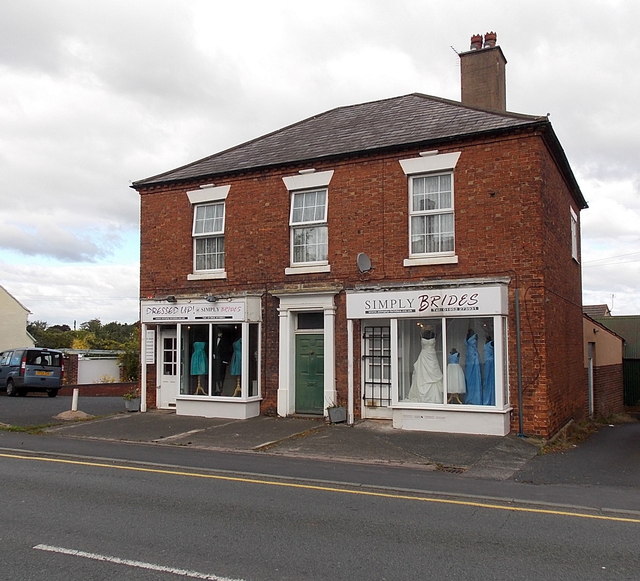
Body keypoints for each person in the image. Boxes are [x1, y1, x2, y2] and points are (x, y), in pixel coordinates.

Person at [407, 327, 443, 403]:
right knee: (422, 375)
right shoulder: (421, 334)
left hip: (431, 356)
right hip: (424, 356)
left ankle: (434, 398)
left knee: (432, 375)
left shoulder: (434, 334)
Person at [464, 330, 482, 404]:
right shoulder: (468, 337)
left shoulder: (475, 336)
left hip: (474, 359)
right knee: (469, 378)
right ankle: (470, 396)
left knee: (475, 377)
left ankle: (475, 398)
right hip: (469, 357)